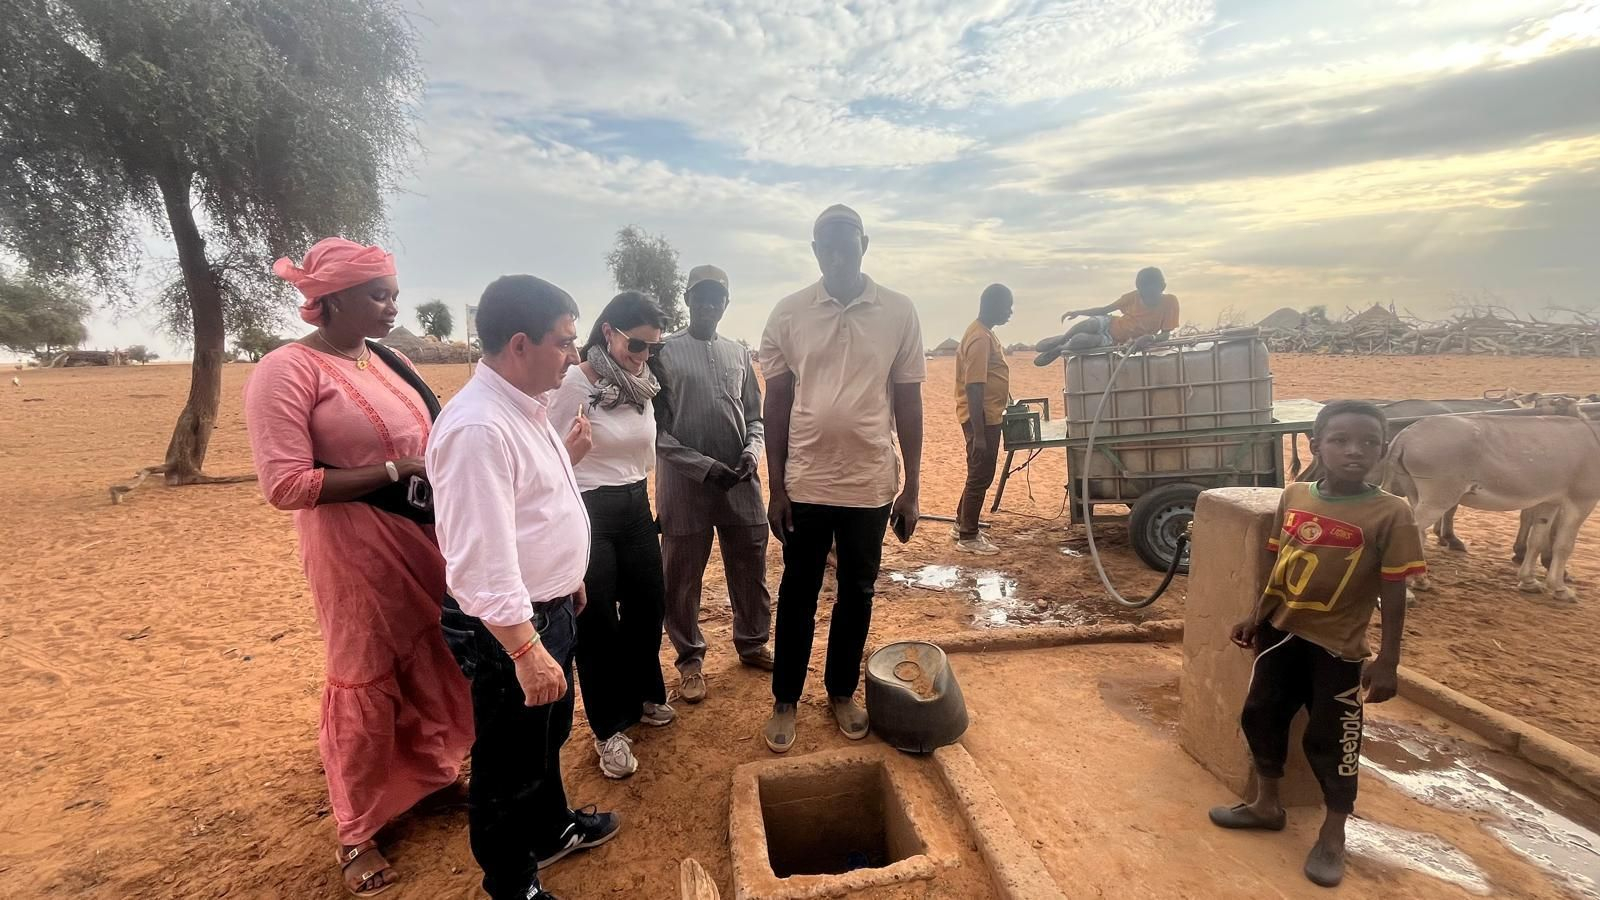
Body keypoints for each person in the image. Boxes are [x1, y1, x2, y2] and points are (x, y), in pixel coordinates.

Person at [244, 238, 474, 897]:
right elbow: (285, 485)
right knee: (366, 673)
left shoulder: (389, 359)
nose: (391, 305)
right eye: (378, 295)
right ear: (331, 301)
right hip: (352, 549)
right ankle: (357, 831)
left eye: (393, 293)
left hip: (420, 537)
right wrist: (397, 470)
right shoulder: (287, 371)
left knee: (433, 653)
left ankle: (428, 778)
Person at [428, 275, 621, 900]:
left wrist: (567, 583)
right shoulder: (478, 429)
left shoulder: (523, 407)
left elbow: (531, 509)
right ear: (519, 343)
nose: (572, 355)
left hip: (549, 606)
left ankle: (551, 830)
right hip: (511, 628)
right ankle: (513, 884)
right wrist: (521, 648)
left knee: (547, 737)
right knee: (507, 762)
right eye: (564, 342)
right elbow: (480, 558)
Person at [1208, 400, 1425, 888]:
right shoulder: (1295, 496)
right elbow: (1282, 564)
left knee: (1333, 741)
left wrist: (1388, 660)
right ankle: (1267, 804)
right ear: (1316, 446)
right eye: (1341, 440)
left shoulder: (1392, 513)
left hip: (1338, 647)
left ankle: (1333, 835)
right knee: (1261, 714)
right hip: (1280, 634)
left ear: (1383, 451)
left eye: (1369, 443)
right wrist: (1257, 614)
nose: (1356, 451)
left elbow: (1394, 591)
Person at [759, 204, 924, 753]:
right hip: (806, 481)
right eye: (825, 245)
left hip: (870, 484)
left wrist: (913, 486)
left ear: (864, 244)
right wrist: (777, 486)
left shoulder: (899, 312)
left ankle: (840, 691)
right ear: (814, 251)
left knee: (856, 591)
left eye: (845, 243)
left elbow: (907, 399)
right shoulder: (789, 314)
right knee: (798, 591)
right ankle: (786, 698)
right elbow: (776, 402)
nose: (835, 253)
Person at [549, 291, 673, 779]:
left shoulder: (644, 385)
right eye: (637, 346)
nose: (644, 357)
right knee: (597, 621)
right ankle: (608, 728)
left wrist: (656, 497)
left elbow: (647, 449)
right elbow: (551, 452)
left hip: (635, 505)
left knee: (649, 606)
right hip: (589, 509)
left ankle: (642, 696)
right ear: (609, 333)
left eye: (653, 349)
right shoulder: (575, 384)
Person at [650, 265, 773, 703]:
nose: (707, 305)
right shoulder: (661, 355)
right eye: (699, 297)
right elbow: (656, 433)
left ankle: (754, 642)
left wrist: (750, 453)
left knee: (750, 565)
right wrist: (703, 466)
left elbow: (756, 418)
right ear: (687, 301)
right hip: (685, 487)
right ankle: (690, 660)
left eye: (715, 298)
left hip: (740, 481)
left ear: (726, 303)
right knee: (681, 577)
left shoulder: (739, 354)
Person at [953, 284, 1014, 556]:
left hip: (988, 416)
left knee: (978, 473)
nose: (1010, 312)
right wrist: (978, 435)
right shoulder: (979, 338)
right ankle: (968, 536)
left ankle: (960, 523)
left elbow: (990, 377)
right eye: (1007, 306)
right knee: (980, 474)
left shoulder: (986, 334)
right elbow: (974, 386)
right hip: (981, 420)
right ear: (993, 305)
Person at [1035, 266, 1179, 365]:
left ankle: (1060, 348)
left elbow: (1165, 335)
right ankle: (1062, 339)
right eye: (1142, 294)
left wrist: (1149, 338)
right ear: (1138, 290)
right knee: (1088, 324)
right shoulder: (1132, 297)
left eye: (1151, 294)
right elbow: (1105, 309)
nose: (1146, 297)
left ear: (1162, 287)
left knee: (1080, 341)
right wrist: (1078, 312)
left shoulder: (1170, 302)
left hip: (1113, 340)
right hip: (1109, 323)